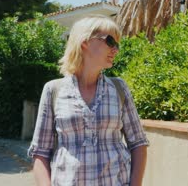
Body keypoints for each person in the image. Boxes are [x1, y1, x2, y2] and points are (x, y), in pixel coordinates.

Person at [28, 14, 149, 186]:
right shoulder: (53, 90)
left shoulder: (119, 89)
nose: (115, 49)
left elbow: (138, 143)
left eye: (117, 44)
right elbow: (40, 152)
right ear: (84, 42)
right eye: (110, 42)